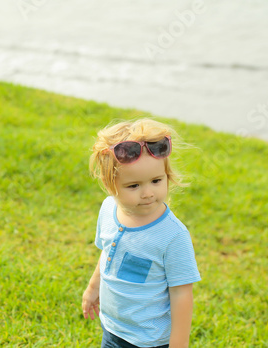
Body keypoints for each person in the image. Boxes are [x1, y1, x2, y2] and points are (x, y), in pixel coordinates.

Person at [82, 118, 201, 348]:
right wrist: (93, 288)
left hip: (149, 339)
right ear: (110, 184)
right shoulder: (108, 209)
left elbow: (182, 295)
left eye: (156, 181)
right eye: (134, 186)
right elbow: (107, 253)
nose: (148, 193)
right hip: (113, 327)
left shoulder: (172, 236)